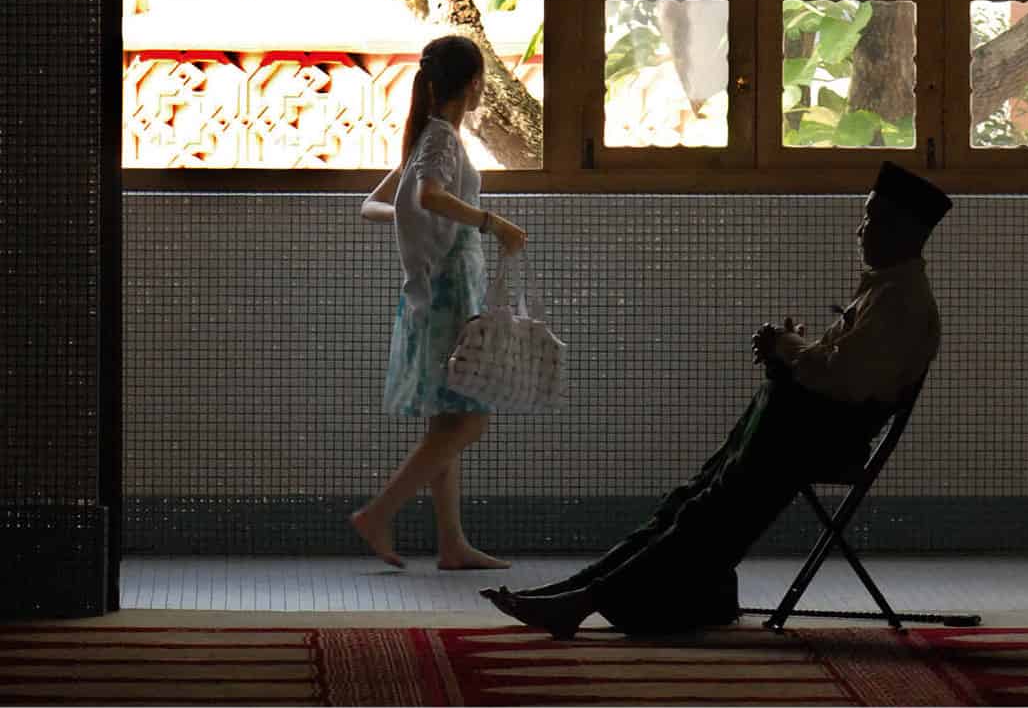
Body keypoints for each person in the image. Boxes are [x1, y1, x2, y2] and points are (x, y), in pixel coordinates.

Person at [483, 159, 949, 636]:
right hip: (803, 432)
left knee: (707, 511)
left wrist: (785, 348)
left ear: (904, 230)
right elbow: (836, 368)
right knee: (692, 501)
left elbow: (841, 381)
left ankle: (583, 601)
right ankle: (580, 590)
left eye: (871, 220)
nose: (860, 230)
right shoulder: (885, 290)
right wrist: (792, 350)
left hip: (817, 442)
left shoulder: (901, 302)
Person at [351, 34, 527, 571]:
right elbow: (425, 195)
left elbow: (379, 206)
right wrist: (490, 222)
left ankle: (451, 543)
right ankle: (378, 513)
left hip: (443, 294)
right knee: (469, 419)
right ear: (474, 83)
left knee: (445, 422)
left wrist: (424, 218)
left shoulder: (432, 137)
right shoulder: (443, 140)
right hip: (449, 296)